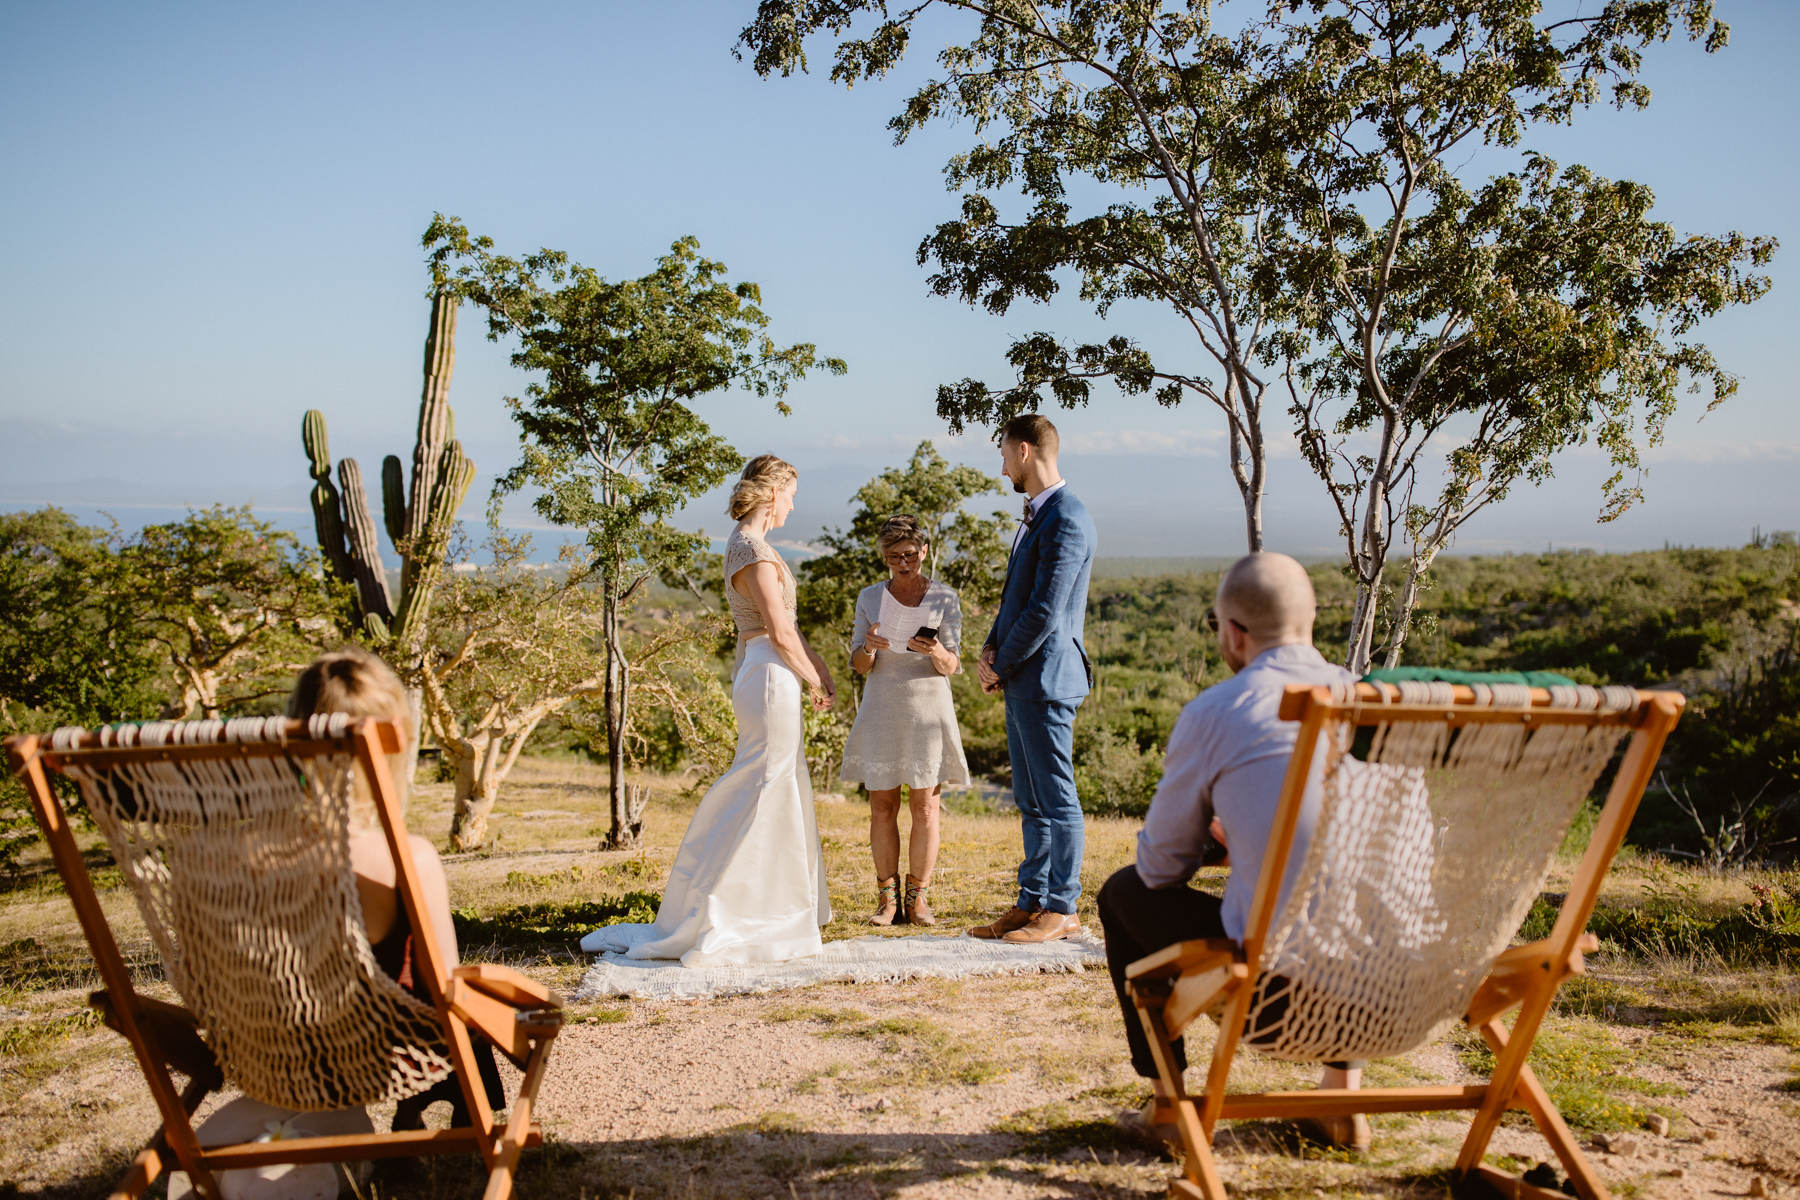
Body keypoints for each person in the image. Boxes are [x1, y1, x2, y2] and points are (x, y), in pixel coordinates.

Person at [1096, 552, 1370, 1151]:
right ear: (1311, 619)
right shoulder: (1376, 703)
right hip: (1393, 987)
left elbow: (1159, 868)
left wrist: (1216, 838)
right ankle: (1340, 1098)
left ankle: (1170, 1102)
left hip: (1281, 998)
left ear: (1233, 632)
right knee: (1346, 902)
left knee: (1121, 893)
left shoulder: (1220, 712)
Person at [580, 454, 837, 965]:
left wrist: (817, 668)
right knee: (764, 783)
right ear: (772, 493)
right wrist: (815, 682)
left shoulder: (751, 546)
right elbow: (778, 631)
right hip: (770, 674)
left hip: (765, 671)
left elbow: (781, 629)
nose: (793, 504)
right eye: (791, 495)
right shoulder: (753, 551)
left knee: (774, 782)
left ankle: (765, 901)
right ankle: (734, 906)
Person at [286, 647, 504, 1131]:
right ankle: (464, 1112)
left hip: (283, 1054)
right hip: (386, 1054)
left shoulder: (248, 859)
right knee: (464, 1007)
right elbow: (448, 987)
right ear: (394, 745)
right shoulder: (409, 858)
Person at [970, 414, 1097, 945]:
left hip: (1048, 677)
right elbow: (1014, 599)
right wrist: (989, 649)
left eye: (1003, 455)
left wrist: (1003, 663)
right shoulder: (1036, 515)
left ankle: (1062, 906)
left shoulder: (1067, 517)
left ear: (1024, 451)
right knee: (1029, 797)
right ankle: (1031, 901)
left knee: (1056, 797)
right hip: (1023, 675)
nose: (1001, 467)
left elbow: (1046, 611)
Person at [841, 514, 971, 926]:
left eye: (910, 555)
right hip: (882, 708)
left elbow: (953, 664)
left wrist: (932, 651)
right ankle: (886, 902)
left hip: (927, 711)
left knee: (926, 808)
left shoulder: (945, 598)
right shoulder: (869, 597)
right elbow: (858, 665)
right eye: (894, 556)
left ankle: (918, 900)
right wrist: (870, 646)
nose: (903, 562)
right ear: (884, 557)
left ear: (924, 552)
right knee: (881, 806)